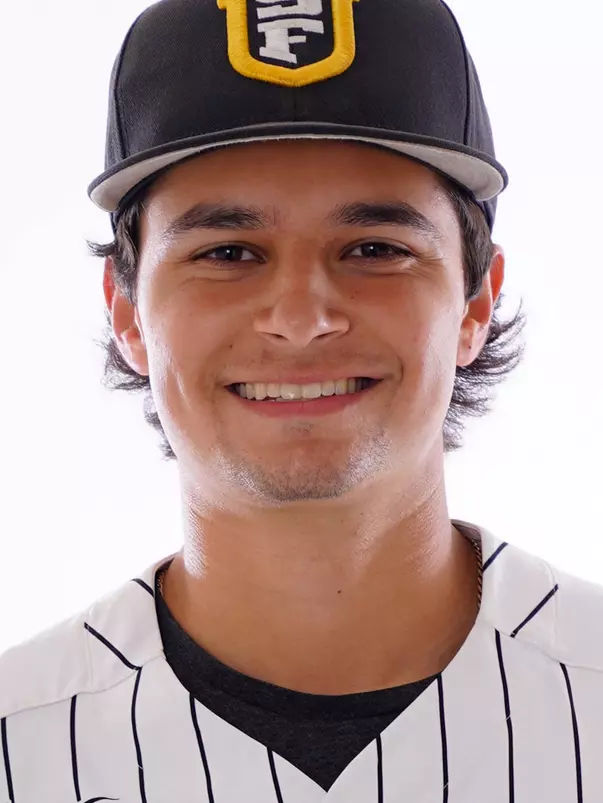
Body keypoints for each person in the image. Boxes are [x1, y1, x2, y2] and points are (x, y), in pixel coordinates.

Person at [1, 0, 601, 800]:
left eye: (374, 249)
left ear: (474, 303)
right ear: (126, 313)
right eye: (228, 251)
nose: (301, 319)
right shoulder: (21, 742)